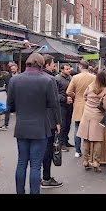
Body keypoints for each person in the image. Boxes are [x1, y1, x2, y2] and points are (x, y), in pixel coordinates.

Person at [6, 53, 58, 194]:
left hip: (22, 126)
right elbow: (53, 103)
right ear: (41, 65)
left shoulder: (15, 80)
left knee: (22, 162)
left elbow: (9, 106)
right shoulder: (48, 80)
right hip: (40, 126)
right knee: (36, 165)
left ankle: (20, 191)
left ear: (26, 64)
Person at [77, 69, 106, 172]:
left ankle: (85, 161)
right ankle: (96, 162)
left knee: (86, 138)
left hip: (87, 114)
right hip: (98, 116)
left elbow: (84, 96)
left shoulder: (91, 85)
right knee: (97, 140)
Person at [40, 54, 63, 189]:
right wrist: (58, 121)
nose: (55, 67)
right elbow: (55, 103)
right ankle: (46, 177)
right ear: (47, 64)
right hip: (48, 120)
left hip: (34, 120)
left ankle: (39, 176)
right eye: (53, 64)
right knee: (48, 150)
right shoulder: (50, 79)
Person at [66, 60, 96, 157]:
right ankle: (89, 151)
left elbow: (68, 91)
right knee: (89, 129)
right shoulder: (94, 77)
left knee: (77, 128)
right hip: (90, 104)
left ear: (80, 67)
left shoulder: (75, 77)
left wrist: (76, 96)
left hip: (78, 104)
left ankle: (78, 151)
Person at [55, 63, 74, 151]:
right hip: (61, 105)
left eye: (69, 69)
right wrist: (64, 99)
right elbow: (55, 94)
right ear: (62, 70)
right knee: (62, 124)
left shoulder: (71, 78)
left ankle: (66, 141)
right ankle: (61, 143)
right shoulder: (57, 79)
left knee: (68, 124)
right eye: (67, 69)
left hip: (69, 104)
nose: (69, 70)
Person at [0, 63, 20, 131]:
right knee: (7, 110)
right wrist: (8, 93)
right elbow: (7, 85)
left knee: (19, 111)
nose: (13, 70)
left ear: (17, 68)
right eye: (11, 69)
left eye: (14, 68)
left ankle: (19, 125)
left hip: (18, 96)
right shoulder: (8, 76)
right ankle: (5, 124)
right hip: (10, 96)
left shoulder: (20, 76)